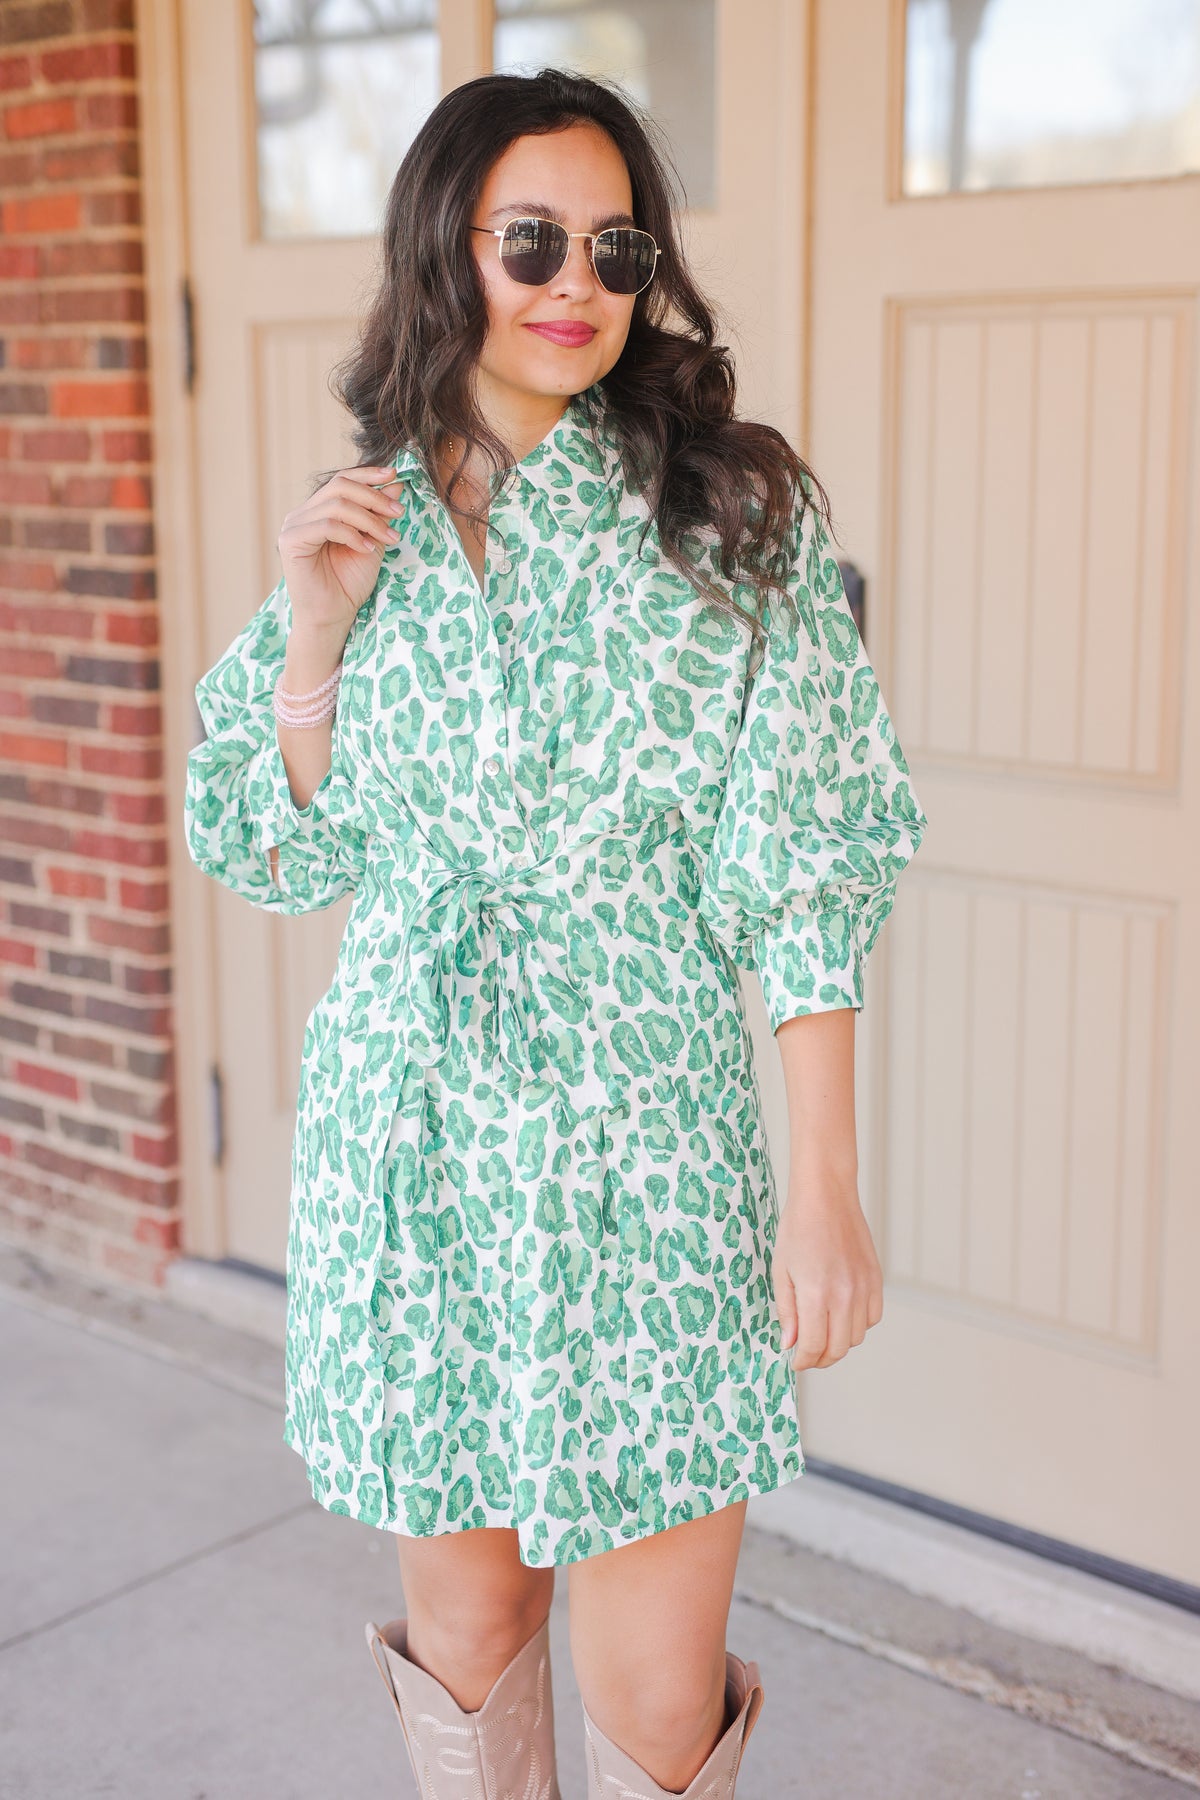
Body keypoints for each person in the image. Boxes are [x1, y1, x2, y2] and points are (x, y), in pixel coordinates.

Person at [184, 65, 927, 1800]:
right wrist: (313, 629)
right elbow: (281, 848)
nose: (577, 280)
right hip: (415, 1132)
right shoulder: (365, 522)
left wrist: (823, 1175)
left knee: (660, 1704)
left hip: (649, 1133)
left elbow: (807, 843)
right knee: (471, 1655)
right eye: (532, 240)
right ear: (447, 255)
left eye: (614, 243)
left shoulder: (736, 516)